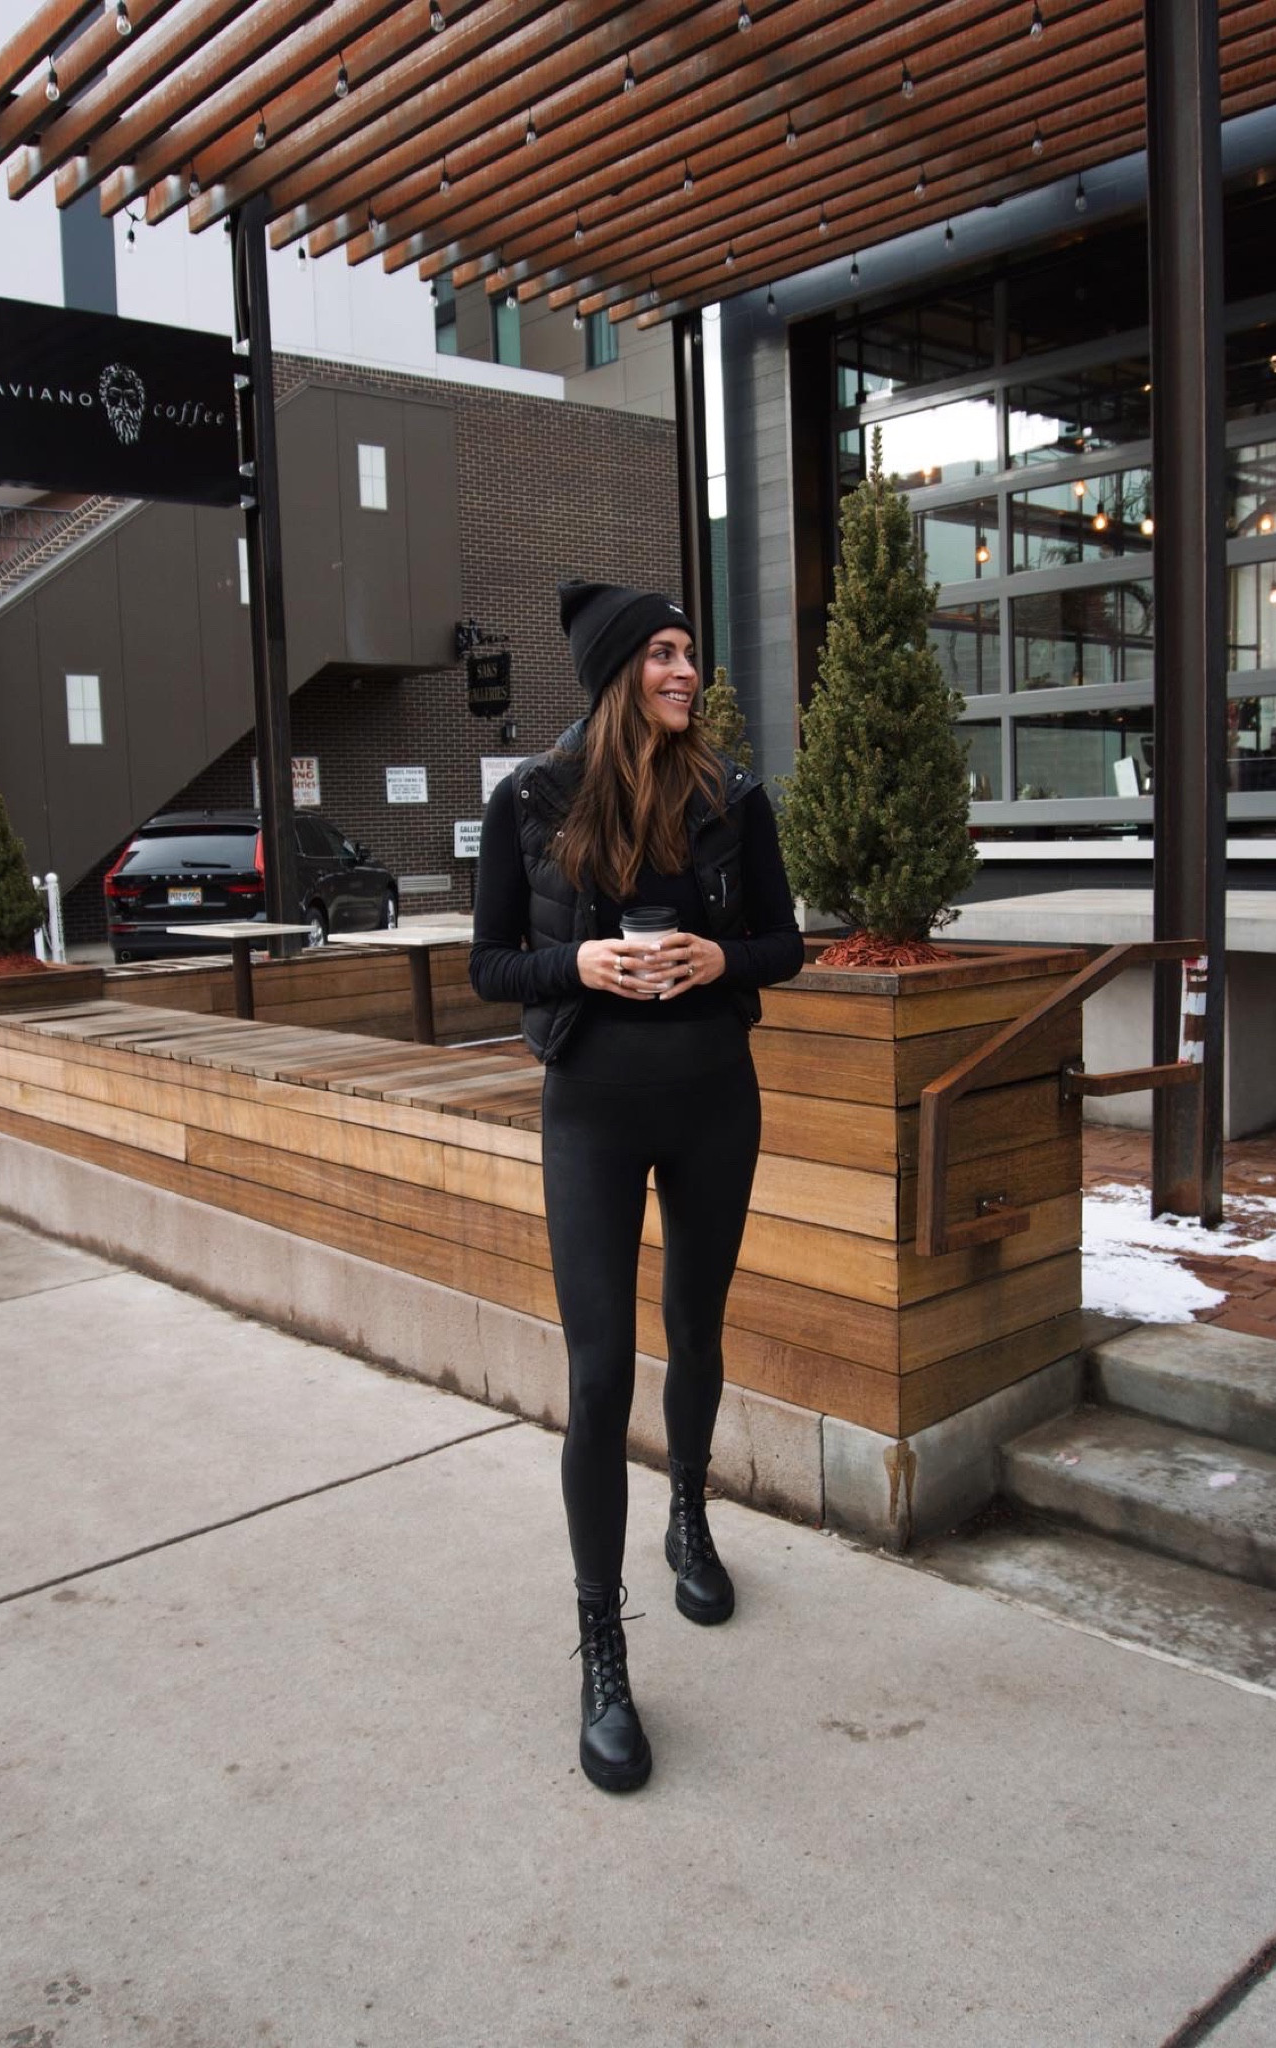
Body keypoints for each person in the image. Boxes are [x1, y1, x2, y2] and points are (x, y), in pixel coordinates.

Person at [469, 581, 805, 1793]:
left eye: (688, 653)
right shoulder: (532, 802)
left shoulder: (733, 796)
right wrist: (583, 961)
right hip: (592, 1111)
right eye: (662, 654)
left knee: (696, 1334)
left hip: (716, 1097)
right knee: (600, 1372)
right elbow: (488, 966)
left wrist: (723, 954)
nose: (683, 671)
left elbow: (786, 940)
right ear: (616, 674)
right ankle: (602, 1646)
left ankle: (690, 1516)